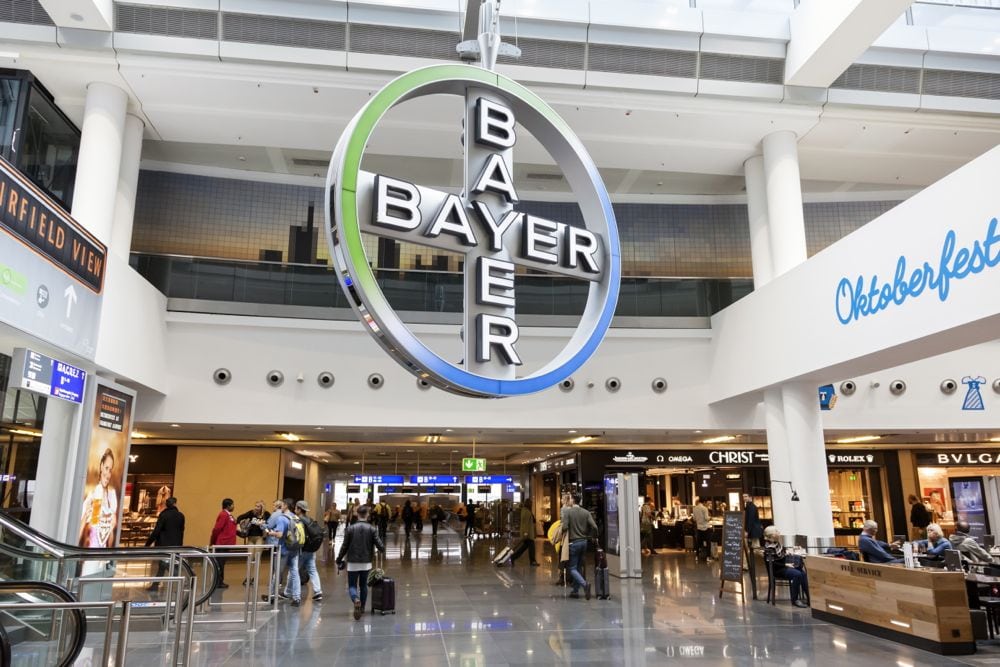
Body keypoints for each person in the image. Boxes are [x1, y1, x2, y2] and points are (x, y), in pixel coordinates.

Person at [336, 505, 385, 620]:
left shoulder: (350, 528)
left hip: (352, 562)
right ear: (367, 515)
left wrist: (339, 558)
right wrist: (381, 548)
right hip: (366, 562)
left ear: (357, 515)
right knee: (363, 585)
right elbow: (380, 545)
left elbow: (344, 546)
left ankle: (355, 599)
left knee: (352, 585)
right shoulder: (372, 529)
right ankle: (362, 607)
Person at [262, 499, 301, 607]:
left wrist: (270, 532)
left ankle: (271, 595)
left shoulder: (281, 518)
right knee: (294, 572)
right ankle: (297, 597)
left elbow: (279, 534)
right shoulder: (295, 517)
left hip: (283, 549)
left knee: (277, 573)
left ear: (286, 506)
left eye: (282, 505)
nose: (280, 507)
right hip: (294, 548)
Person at [560, 492, 598, 599]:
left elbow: (564, 527)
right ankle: (575, 591)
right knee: (578, 567)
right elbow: (594, 526)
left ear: (572, 500)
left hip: (573, 543)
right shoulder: (586, 512)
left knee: (571, 568)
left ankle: (585, 585)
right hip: (584, 542)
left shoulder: (568, 512)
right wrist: (592, 536)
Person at [80, 448, 119, 548]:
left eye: (110, 470)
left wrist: (111, 527)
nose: (108, 474)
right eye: (106, 468)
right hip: (90, 551)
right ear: (101, 466)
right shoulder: (92, 494)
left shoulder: (111, 496)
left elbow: (110, 539)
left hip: (101, 554)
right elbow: (81, 531)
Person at [763, 526, 809, 608]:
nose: (779, 533)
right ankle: (795, 599)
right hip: (777, 570)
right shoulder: (769, 548)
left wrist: (787, 552)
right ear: (772, 535)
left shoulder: (777, 543)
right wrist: (785, 565)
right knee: (797, 574)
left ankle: (809, 597)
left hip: (784, 566)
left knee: (803, 573)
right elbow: (772, 564)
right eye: (776, 531)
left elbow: (782, 551)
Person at [145, 496, 185, 591]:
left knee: (164, 564)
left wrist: (148, 543)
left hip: (164, 544)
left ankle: (183, 581)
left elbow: (157, 530)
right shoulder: (181, 516)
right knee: (164, 565)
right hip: (175, 544)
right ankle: (155, 585)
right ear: (175, 504)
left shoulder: (164, 515)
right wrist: (180, 545)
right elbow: (182, 531)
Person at [294, 500, 323, 602]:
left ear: (299, 509)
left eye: (296, 508)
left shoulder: (298, 520)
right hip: (311, 549)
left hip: (302, 550)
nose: (294, 510)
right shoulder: (310, 519)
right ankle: (318, 591)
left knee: (294, 570)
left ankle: (291, 593)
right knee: (312, 570)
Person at [209, 498, 238, 588]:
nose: (234, 506)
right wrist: (213, 541)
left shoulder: (229, 515)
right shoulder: (223, 515)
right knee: (219, 564)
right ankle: (218, 582)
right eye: (232, 504)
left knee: (221, 563)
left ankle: (220, 581)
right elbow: (217, 529)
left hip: (226, 543)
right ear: (228, 506)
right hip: (222, 543)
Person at [507, 498, 540, 566]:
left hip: (528, 533)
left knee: (524, 548)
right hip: (527, 533)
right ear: (529, 504)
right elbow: (525, 523)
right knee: (531, 547)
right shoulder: (526, 512)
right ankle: (532, 561)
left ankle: (513, 557)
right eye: (531, 503)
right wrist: (525, 532)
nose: (532, 505)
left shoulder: (526, 511)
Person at [692, 498, 711, 562]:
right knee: (708, 542)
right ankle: (708, 557)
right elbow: (706, 518)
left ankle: (697, 556)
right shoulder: (705, 508)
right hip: (705, 528)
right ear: (704, 502)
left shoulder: (694, 508)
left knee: (698, 543)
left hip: (699, 528)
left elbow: (694, 519)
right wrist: (710, 518)